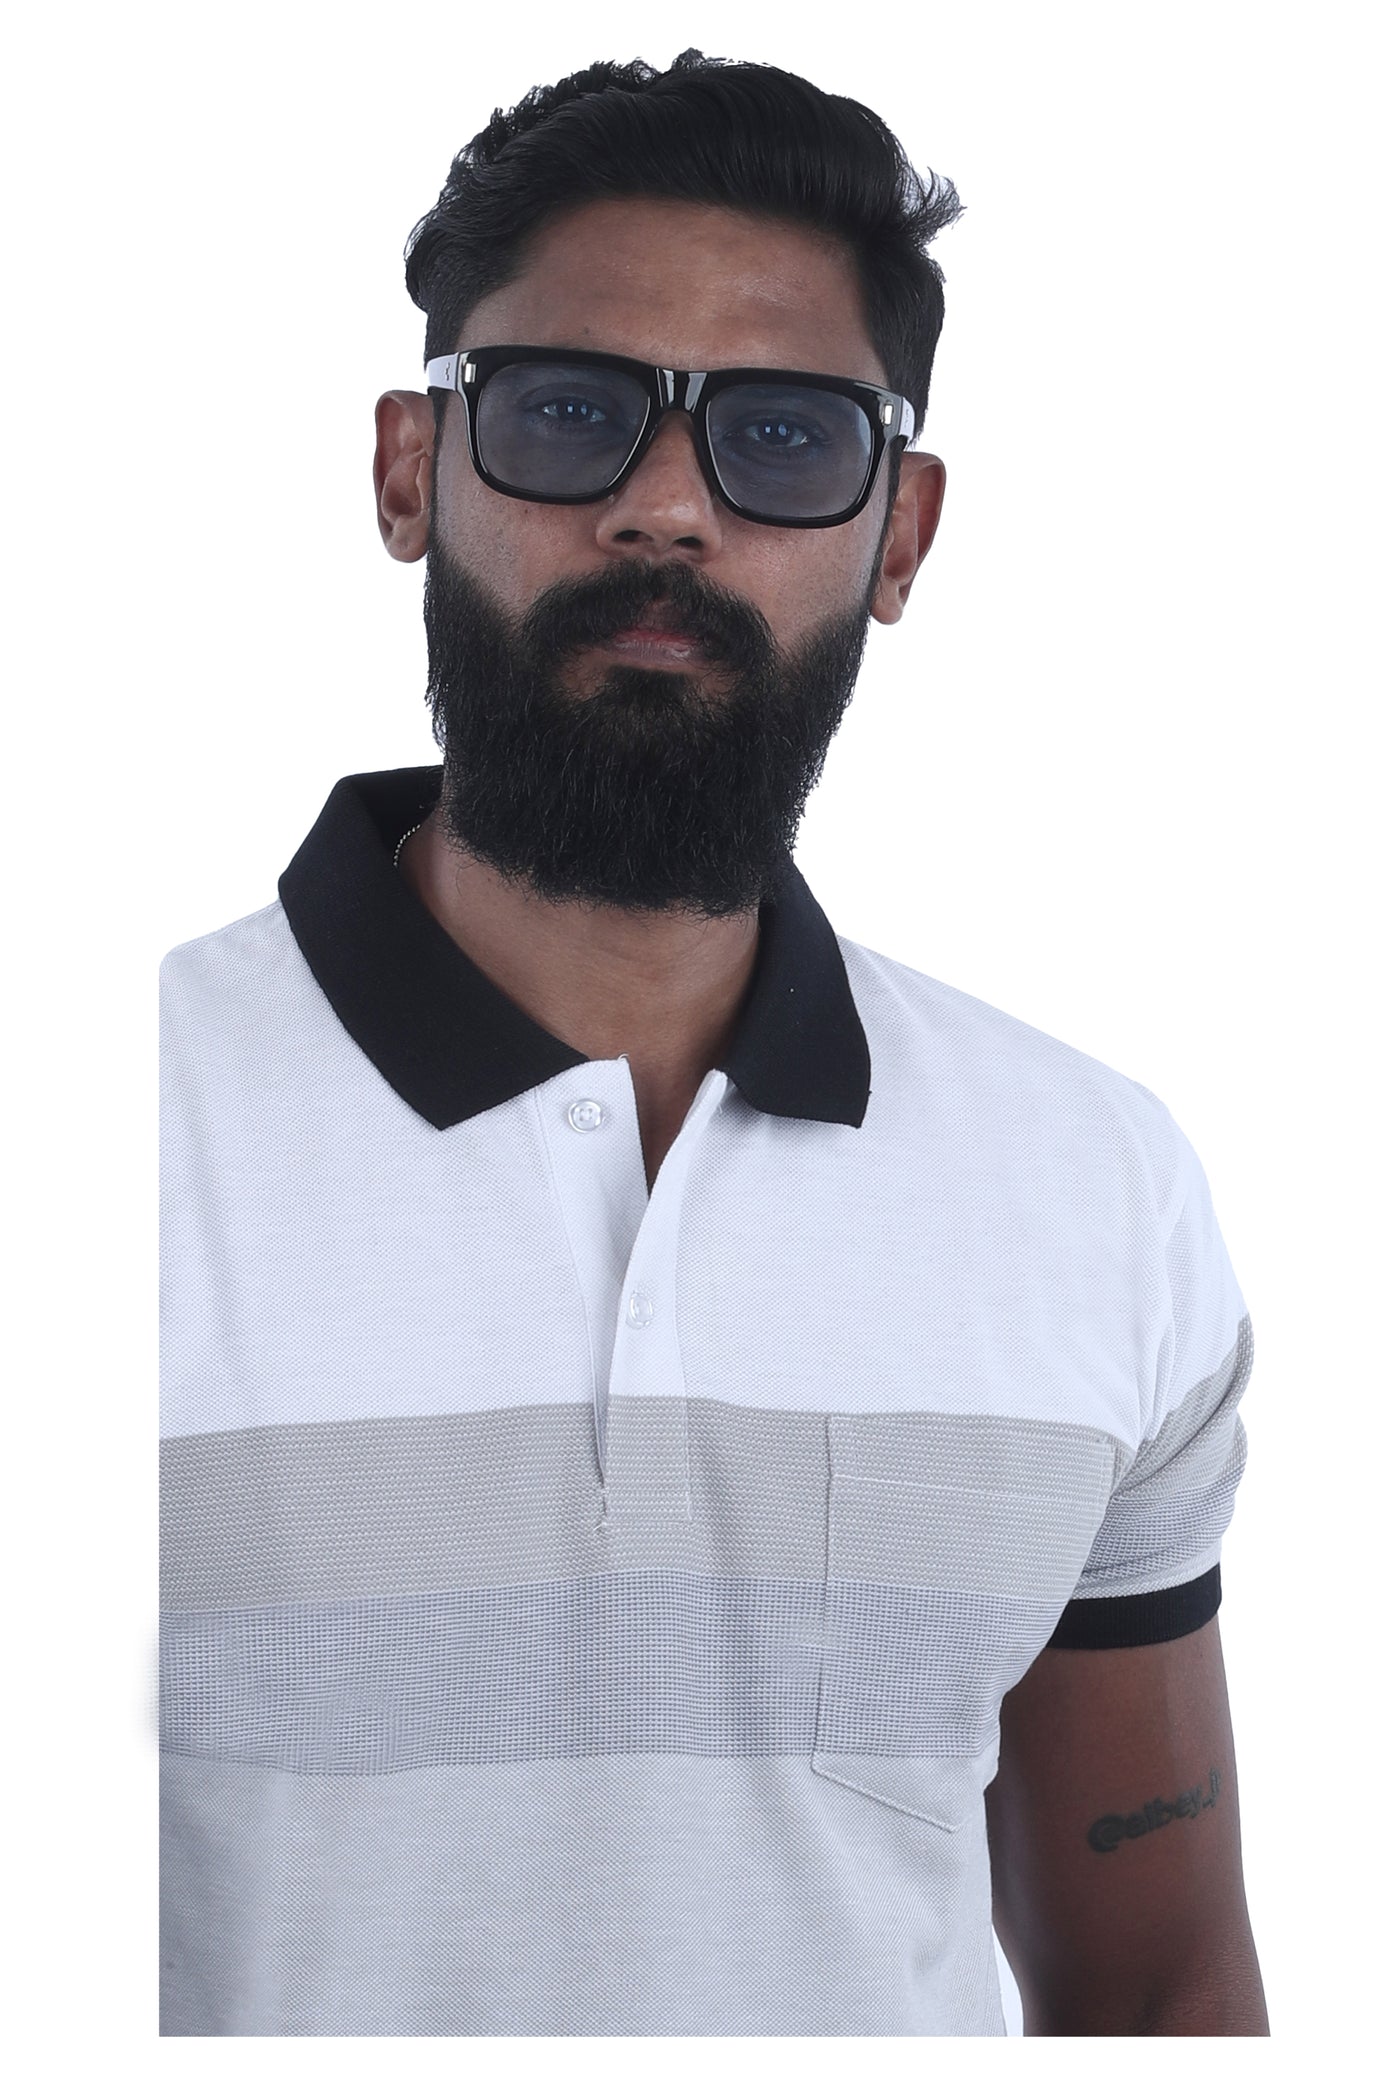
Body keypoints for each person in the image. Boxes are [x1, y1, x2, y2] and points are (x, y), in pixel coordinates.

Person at [158, 50, 1268, 2037]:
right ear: (411, 469)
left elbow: (1157, 1980)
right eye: (568, 413)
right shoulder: (96, 1142)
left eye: (782, 436)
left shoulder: (1094, 1189)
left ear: (900, 533)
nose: (665, 506)